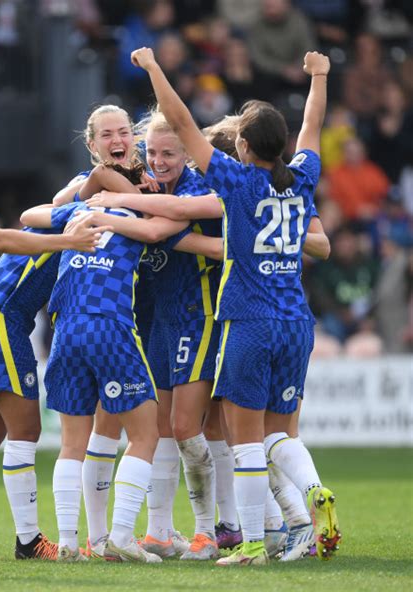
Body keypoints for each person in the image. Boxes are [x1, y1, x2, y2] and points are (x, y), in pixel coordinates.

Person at [130, 45, 341, 566]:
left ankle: (248, 544)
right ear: (284, 146)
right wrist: (320, 76)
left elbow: (179, 120)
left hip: (249, 321)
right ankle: (313, 492)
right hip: (297, 321)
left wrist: (155, 68)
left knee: (244, 442)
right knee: (279, 433)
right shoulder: (304, 177)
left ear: (243, 146)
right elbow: (313, 123)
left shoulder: (237, 180)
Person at [19, 187, 198, 562]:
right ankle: (120, 536)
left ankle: (68, 543)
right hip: (109, 326)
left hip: (65, 329)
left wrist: (78, 205)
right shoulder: (140, 217)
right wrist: (124, 203)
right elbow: (169, 224)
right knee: (147, 433)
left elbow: (29, 215)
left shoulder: (79, 211)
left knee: (71, 444)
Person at [0, 183, 104, 571]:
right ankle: (29, 540)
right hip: (0, 317)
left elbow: (40, 211)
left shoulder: (62, 214)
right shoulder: (76, 221)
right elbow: (2, 235)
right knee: (26, 431)